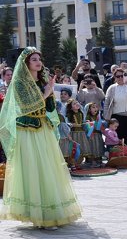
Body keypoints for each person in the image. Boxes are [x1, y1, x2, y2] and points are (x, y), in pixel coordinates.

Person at [0, 47, 82, 228]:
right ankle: (35, 213)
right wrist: (45, 92)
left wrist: (50, 92)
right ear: (26, 63)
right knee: (32, 169)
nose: (38, 62)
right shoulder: (20, 83)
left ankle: (50, 211)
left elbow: (50, 108)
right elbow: (26, 105)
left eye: (39, 59)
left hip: (42, 128)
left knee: (48, 167)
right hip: (27, 130)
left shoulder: (42, 80)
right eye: (34, 59)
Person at [104, 68, 127, 150]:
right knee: (118, 138)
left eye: (122, 76)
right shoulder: (111, 88)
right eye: (117, 76)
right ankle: (119, 157)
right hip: (117, 117)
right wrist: (106, 117)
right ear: (114, 77)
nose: (120, 78)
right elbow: (106, 103)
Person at [83, 102, 104, 168]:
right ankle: (91, 161)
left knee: (98, 147)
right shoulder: (87, 118)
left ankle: (99, 160)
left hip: (98, 135)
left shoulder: (98, 117)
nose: (96, 109)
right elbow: (85, 127)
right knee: (92, 147)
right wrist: (89, 124)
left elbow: (100, 127)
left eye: (96, 107)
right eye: (93, 107)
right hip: (91, 136)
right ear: (89, 109)